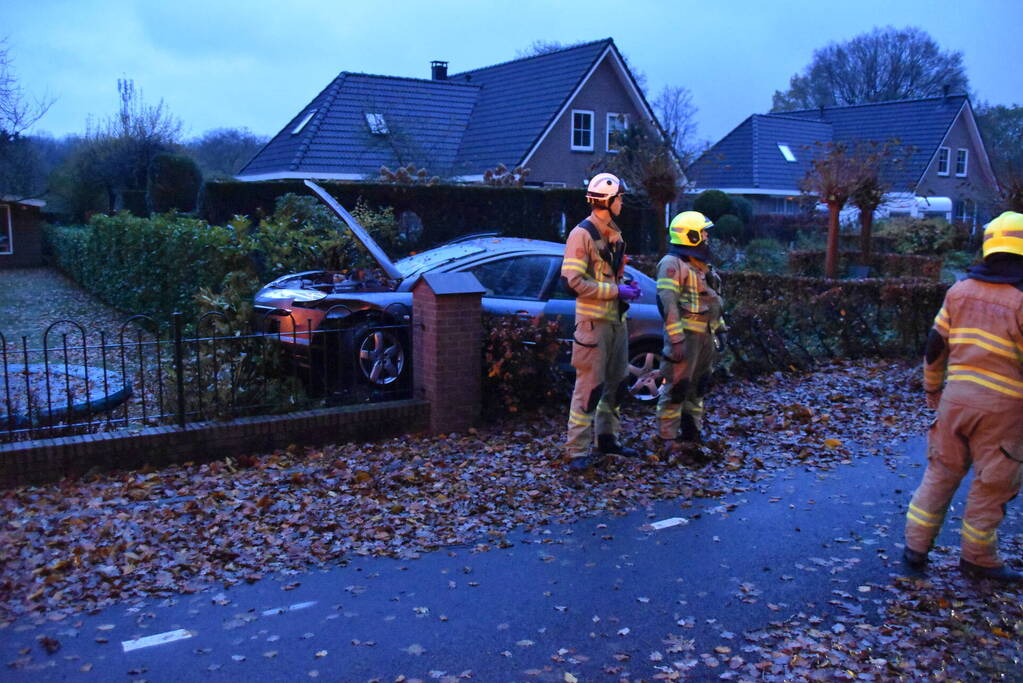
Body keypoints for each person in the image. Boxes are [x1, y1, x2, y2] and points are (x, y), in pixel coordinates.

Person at [904, 211, 1023, 582]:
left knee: (940, 474)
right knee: (993, 484)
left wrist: (932, 388)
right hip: (1004, 410)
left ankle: (915, 549)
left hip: (955, 400)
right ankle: (978, 559)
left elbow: (935, 345)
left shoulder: (960, 290)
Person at [561, 172, 643, 472]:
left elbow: (608, 276)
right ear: (607, 201)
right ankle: (576, 450)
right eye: (619, 198)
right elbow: (572, 281)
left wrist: (627, 287)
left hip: (616, 322)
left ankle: (607, 439)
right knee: (590, 388)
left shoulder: (614, 234)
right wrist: (615, 290)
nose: (622, 202)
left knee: (617, 385)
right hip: (593, 326)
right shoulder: (581, 235)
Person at [655, 211, 726, 459]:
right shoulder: (671, 264)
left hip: (705, 338)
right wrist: (675, 339)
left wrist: (720, 329)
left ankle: (691, 432)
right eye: (703, 232)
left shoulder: (702, 266)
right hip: (685, 339)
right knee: (677, 388)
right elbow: (667, 303)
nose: (707, 237)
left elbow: (714, 300)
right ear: (691, 235)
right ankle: (667, 439)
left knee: (698, 388)